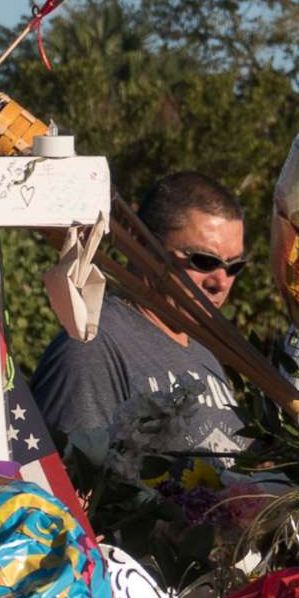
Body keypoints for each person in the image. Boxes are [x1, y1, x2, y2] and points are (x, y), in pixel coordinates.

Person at [32, 172, 247, 463]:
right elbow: (70, 490)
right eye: (204, 261)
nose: (220, 282)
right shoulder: (92, 346)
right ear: (141, 245)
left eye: (234, 268)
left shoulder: (204, 352)